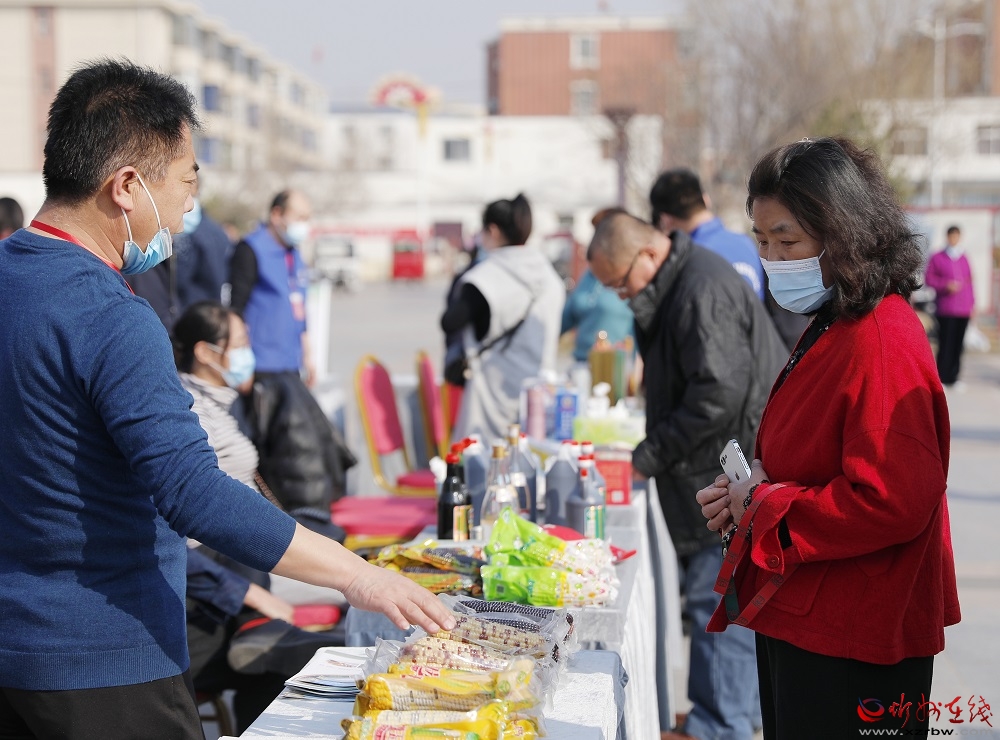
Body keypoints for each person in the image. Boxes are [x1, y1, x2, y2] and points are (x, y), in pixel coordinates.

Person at [0, 59, 453, 740]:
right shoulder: (111, 315)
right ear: (127, 187)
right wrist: (360, 578)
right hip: (105, 658)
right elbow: (193, 491)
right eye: (186, 182)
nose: (188, 208)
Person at [695, 138, 960, 739]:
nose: (772, 259)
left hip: (852, 634)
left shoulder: (882, 338)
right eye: (762, 242)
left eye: (787, 242)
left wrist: (765, 503)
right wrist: (746, 495)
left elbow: (891, 499)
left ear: (843, 235)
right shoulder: (837, 320)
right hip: (807, 610)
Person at [588, 212, 787, 740]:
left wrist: (651, 453)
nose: (623, 297)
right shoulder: (683, 280)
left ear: (648, 255)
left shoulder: (699, 289)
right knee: (720, 596)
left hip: (725, 470)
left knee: (716, 597)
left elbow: (716, 393)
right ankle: (724, 714)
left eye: (621, 284)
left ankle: (718, 725)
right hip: (717, 465)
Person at [173, 301, 344, 732]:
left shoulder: (222, 402)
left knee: (336, 563)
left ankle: (265, 633)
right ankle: (265, 632)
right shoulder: (191, 411)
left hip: (238, 553)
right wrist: (245, 591)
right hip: (219, 557)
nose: (250, 354)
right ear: (206, 353)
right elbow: (202, 510)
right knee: (339, 589)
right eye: (242, 343)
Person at [230, 190, 357, 527]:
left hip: (290, 366)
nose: (304, 224)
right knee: (280, 452)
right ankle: (272, 522)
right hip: (262, 369)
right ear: (277, 215)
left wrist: (307, 354)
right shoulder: (251, 249)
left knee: (312, 443)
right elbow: (236, 310)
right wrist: (240, 360)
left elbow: (299, 310)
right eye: (298, 217)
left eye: (307, 217)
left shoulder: (293, 255)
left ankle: (309, 516)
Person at [441, 193, 565, 443]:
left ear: (493, 230)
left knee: (486, 462)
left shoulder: (485, 277)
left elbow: (449, 321)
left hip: (491, 400)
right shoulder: (549, 275)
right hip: (539, 399)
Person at [650, 168, 808, 352]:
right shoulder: (747, 244)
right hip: (764, 354)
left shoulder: (688, 260)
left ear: (665, 220)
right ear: (706, 200)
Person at [560, 207, 635, 363]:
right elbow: (566, 318)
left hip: (616, 367)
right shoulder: (589, 275)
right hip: (582, 362)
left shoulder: (630, 276)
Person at [925, 225, 976, 388]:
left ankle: (954, 377)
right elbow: (929, 279)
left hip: (963, 309)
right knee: (946, 343)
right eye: (951, 236)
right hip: (946, 308)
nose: (954, 239)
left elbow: (970, 282)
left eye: (957, 236)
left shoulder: (964, 257)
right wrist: (946, 285)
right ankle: (942, 377)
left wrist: (972, 304)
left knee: (958, 344)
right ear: (947, 237)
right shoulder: (937, 257)